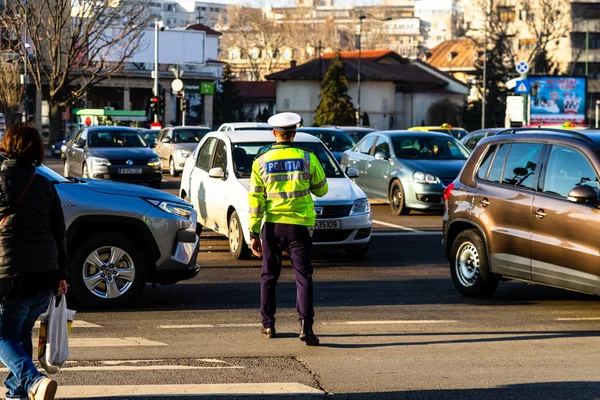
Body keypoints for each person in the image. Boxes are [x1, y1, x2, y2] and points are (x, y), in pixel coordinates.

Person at [0, 123, 68, 400]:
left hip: (9, 273)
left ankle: (33, 381)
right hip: (45, 273)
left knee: (3, 335)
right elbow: (59, 231)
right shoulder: (44, 184)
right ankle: (16, 393)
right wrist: (61, 275)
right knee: (21, 332)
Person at [248, 112, 328, 346]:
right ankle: (306, 325)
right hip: (300, 226)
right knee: (303, 276)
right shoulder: (308, 158)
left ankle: (268, 324)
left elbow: (255, 200)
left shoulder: (260, 161)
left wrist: (254, 233)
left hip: (273, 227)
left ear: (274, 133)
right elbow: (322, 190)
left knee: (269, 276)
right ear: (294, 133)